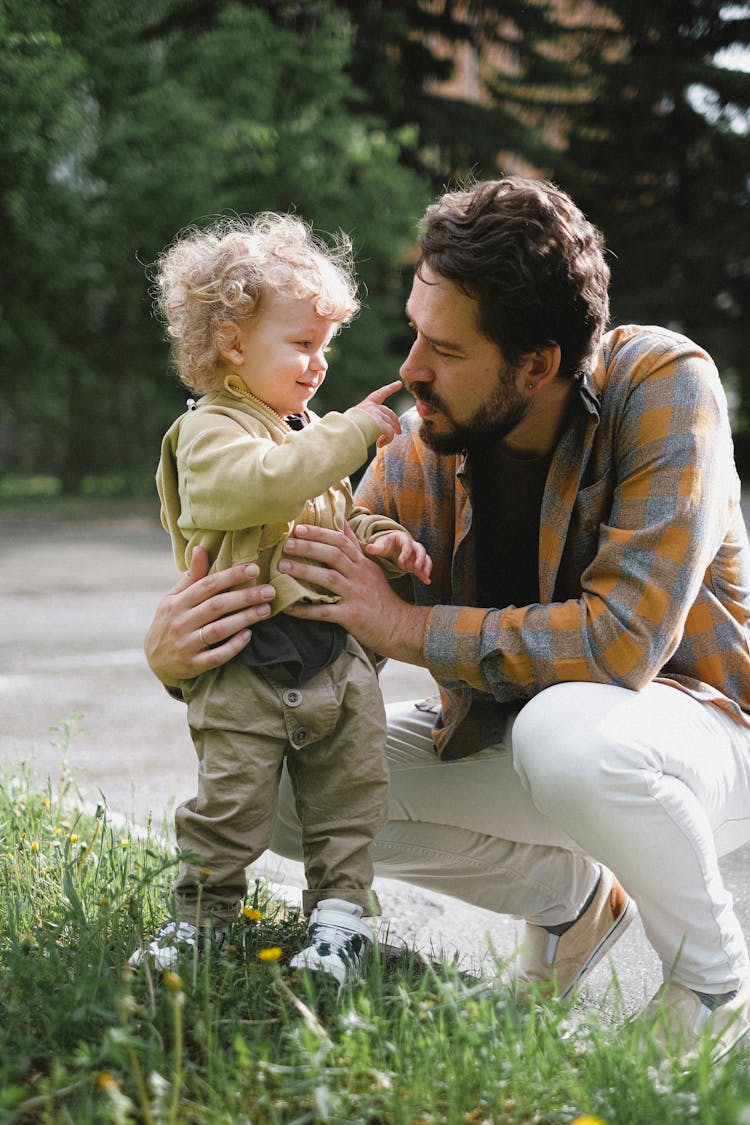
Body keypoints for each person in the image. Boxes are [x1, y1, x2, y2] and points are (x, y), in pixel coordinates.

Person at [143, 178, 750, 1062]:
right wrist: (177, 653)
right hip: (513, 738)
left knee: (567, 734)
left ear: (536, 364)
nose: (411, 366)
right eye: (415, 330)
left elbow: (622, 643)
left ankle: (711, 982)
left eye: (445, 347)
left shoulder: (661, 383)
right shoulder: (423, 439)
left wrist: (405, 629)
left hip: (696, 734)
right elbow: (328, 617)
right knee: (284, 787)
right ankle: (575, 903)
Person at [130, 212, 431, 984]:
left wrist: (378, 535)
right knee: (229, 807)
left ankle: (338, 924)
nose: (320, 364)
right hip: (245, 667)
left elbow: (326, 504)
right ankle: (200, 918)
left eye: (325, 346)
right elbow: (258, 487)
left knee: (350, 802)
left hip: (331, 663)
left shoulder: (296, 433)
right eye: (303, 344)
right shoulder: (211, 432)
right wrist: (354, 431)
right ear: (233, 343)